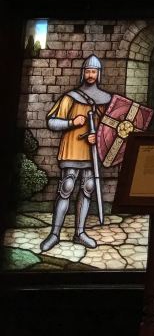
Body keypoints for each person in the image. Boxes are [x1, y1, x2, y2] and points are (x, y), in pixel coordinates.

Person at [40, 55, 112, 252]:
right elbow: (52, 121)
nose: (90, 75)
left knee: (88, 188)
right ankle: (54, 234)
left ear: (99, 74)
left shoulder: (106, 100)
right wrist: (72, 123)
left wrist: (97, 138)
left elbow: (109, 128)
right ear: (83, 73)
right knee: (67, 188)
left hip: (91, 153)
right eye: (88, 71)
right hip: (72, 149)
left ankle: (79, 233)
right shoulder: (70, 97)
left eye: (94, 71)